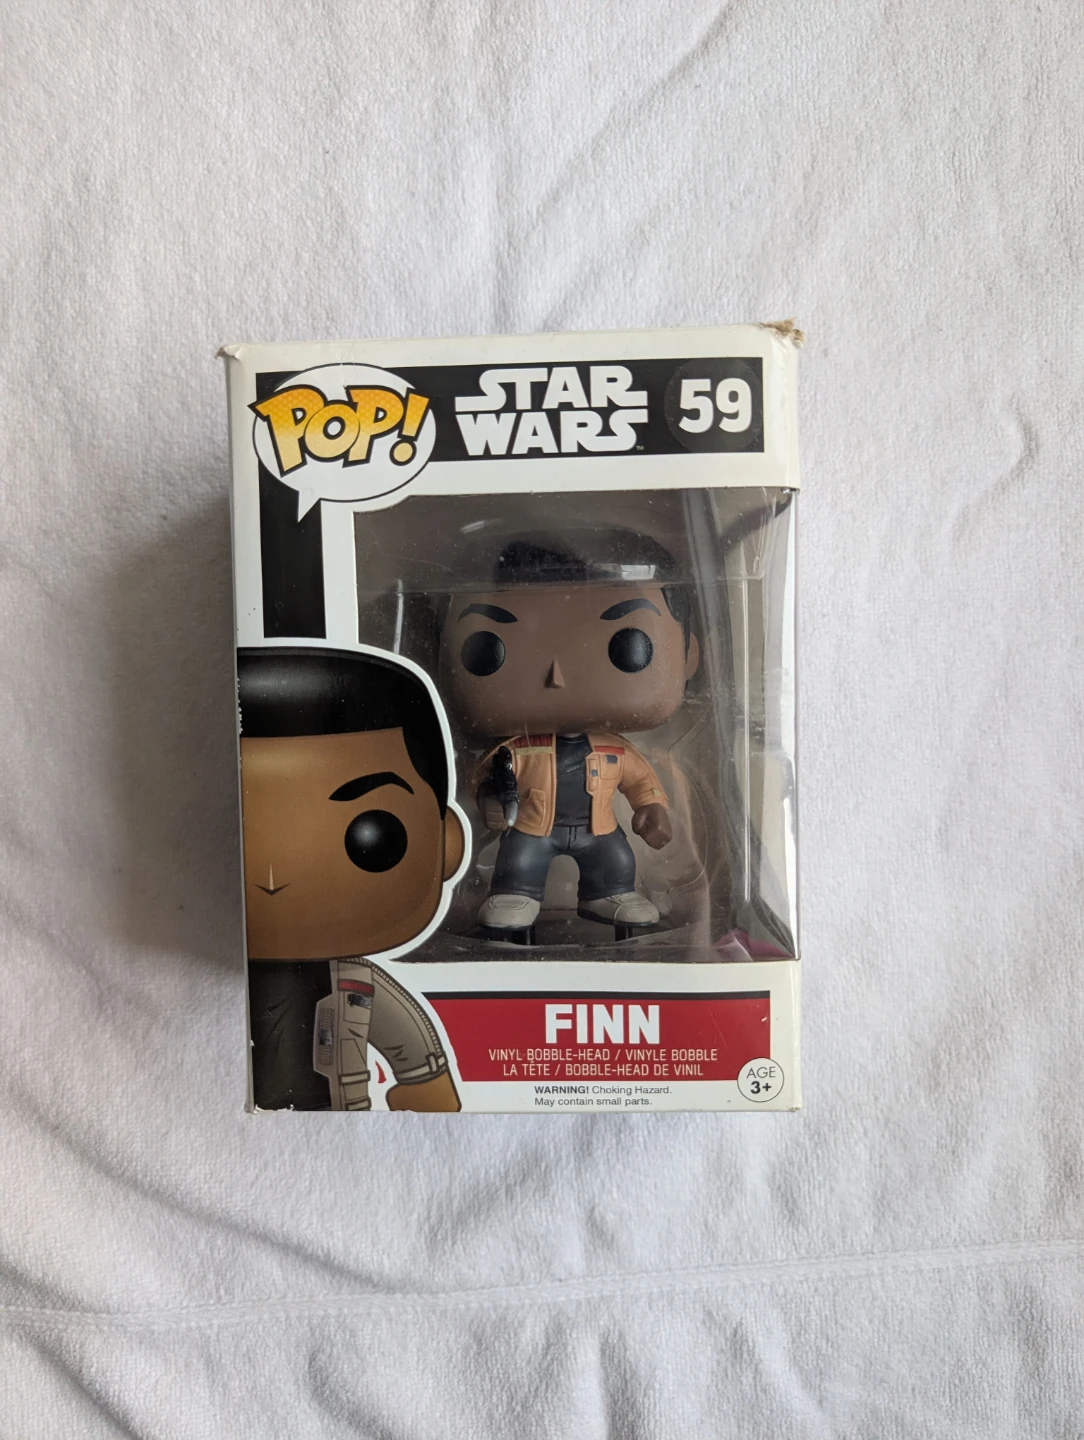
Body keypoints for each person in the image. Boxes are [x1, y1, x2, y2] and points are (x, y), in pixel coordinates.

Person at [438, 533, 699, 942]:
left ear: (688, 654)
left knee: (616, 860)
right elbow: (487, 776)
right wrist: (490, 798)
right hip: (531, 829)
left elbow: (640, 781)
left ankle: (608, 892)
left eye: (627, 646)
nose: (557, 675)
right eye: (488, 648)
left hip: (600, 829)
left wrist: (651, 807)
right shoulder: (516, 750)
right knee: (519, 862)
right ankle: (516, 892)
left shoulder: (615, 748)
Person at [238, 645, 466, 1110]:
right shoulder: (203, 973)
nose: (273, 878)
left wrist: (428, 1090)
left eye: (372, 837)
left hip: (343, 1119)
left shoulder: (356, 983)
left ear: (447, 843)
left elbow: (417, 1057)